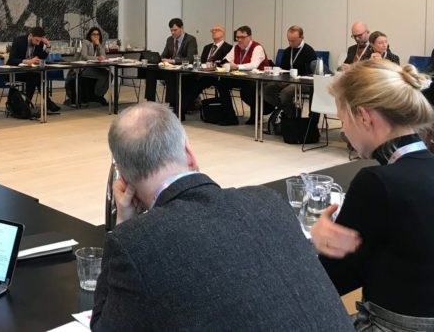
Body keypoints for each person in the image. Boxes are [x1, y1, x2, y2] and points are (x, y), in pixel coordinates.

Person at [91, 102, 352, 331]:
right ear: (189, 153)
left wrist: (123, 224)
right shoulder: (268, 200)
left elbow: (103, 325)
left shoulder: (136, 242)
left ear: (124, 179)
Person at [311, 60, 434, 329]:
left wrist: (322, 241)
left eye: (343, 119)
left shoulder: (377, 183)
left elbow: (329, 282)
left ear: (364, 116)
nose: (344, 131)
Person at [217, 25, 272, 125]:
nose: (239, 40)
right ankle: (230, 116)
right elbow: (225, 60)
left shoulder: (257, 47)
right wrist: (224, 63)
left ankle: (257, 113)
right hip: (242, 77)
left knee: (248, 89)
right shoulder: (236, 48)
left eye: (242, 37)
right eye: (237, 37)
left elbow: (254, 65)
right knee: (221, 83)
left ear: (250, 37)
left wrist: (237, 66)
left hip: (257, 78)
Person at [181, 25, 233, 119]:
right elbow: (202, 62)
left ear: (223, 32)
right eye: (212, 30)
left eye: (217, 30)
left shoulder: (228, 48)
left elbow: (224, 63)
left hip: (217, 76)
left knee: (197, 85)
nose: (214, 32)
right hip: (203, 74)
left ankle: (181, 109)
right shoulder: (207, 47)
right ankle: (184, 107)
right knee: (186, 79)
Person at [263, 25, 317, 114]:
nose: (290, 43)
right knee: (267, 90)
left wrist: (295, 80)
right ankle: (289, 110)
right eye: (289, 40)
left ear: (302, 38)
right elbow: (283, 69)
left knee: (285, 93)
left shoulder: (309, 52)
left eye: (293, 41)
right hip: (287, 80)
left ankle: (289, 114)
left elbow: (310, 74)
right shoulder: (287, 51)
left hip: (303, 82)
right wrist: (283, 79)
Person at [143, 18, 198, 106]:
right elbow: (164, 55)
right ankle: (150, 102)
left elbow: (190, 59)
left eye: (175, 30)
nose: (173, 32)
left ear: (182, 28)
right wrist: (159, 59)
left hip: (183, 71)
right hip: (171, 69)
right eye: (171, 30)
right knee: (151, 71)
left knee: (171, 74)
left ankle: (172, 104)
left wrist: (172, 61)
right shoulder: (170, 40)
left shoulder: (190, 39)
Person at [7, 26, 61, 114]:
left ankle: (27, 105)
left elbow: (42, 56)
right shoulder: (18, 41)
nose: (38, 43)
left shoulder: (39, 43)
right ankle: (47, 103)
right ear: (31, 35)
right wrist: (26, 61)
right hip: (16, 72)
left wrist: (48, 46)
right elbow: (11, 59)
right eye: (36, 40)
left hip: (29, 72)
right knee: (35, 77)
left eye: (40, 41)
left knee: (35, 77)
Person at [68, 26, 109, 106]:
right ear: (90, 35)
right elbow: (84, 56)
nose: (96, 36)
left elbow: (104, 56)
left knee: (110, 75)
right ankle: (97, 96)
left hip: (94, 68)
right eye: (94, 34)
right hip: (83, 68)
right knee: (104, 75)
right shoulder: (86, 43)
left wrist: (99, 45)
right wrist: (97, 58)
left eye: (98, 34)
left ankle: (99, 94)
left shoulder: (99, 44)